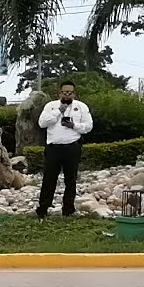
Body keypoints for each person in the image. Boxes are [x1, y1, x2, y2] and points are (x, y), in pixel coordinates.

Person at [35, 82, 93, 218]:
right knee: (49, 179)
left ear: (74, 94)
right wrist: (58, 112)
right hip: (53, 148)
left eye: (70, 93)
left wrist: (74, 125)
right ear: (59, 93)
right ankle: (43, 208)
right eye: (64, 92)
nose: (67, 95)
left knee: (71, 179)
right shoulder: (51, 106)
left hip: (72, 147)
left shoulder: (81, 106)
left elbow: (88, 126)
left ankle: (68, 209)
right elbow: (42, 123)